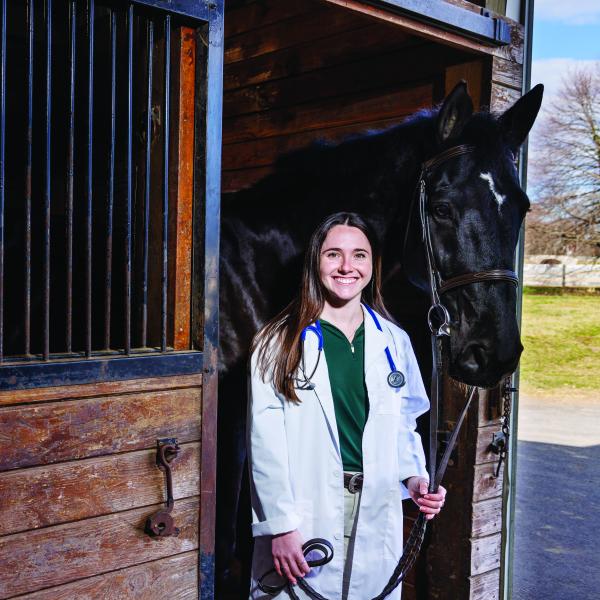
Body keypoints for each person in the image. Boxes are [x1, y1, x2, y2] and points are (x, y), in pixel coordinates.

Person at [247, 212, 446, 599]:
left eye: (359, 255)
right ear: (315, 262)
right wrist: (280, 525)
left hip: (376, 502)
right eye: (333, 254)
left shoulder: (394, 341)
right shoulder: (277, 342)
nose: (346, 267)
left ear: (373, 265)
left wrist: (415, 478)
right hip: (306, 507)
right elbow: (263, 444)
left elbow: (404, 423)